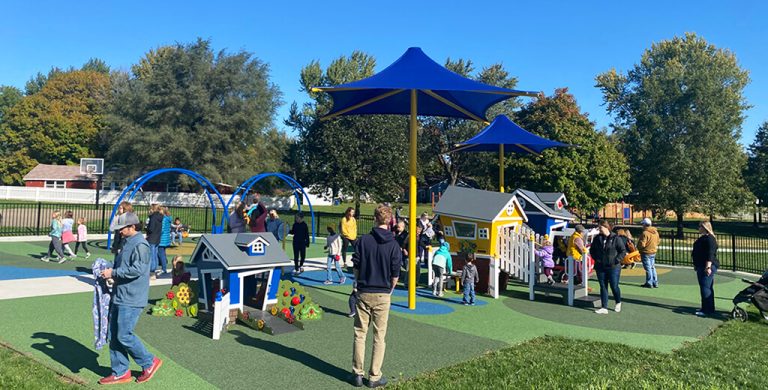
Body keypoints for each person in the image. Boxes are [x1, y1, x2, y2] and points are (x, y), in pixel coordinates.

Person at [98, 212, 162, 384]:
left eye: (122, 228)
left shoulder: (141, 245)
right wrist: (109, 270)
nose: (119, 231)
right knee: (114, 335)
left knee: (124, 335)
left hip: (132, 298)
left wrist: (114, 273)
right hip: (120, 294)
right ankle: (120, 371)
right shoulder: (127, 242)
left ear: (132, 227)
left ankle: (149, 362)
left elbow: (138, 270)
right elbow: (124, 265)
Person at [350, 204, 401, 388]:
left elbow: (356, 265)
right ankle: (374, 376)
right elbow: (395, 274)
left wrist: (357, 283)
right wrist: (390, 290)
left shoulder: (363, 241)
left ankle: (357, 373)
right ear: (390, 221)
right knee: (379, 337)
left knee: (360, 334)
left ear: (374, 219)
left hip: (364, 291)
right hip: (382, 293)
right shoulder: (394, 245)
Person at [589, 220, 626, 314]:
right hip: (600, 267)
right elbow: (592, 250)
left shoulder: (616, 238)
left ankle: (618, 302)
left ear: (606, 227)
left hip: (614, 267)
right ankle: (604, 307)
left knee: (614, 286)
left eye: (600, 227)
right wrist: (597, 259)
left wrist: (616, 260)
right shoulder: (597, 238)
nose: (599, 229)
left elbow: (622, 251)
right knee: (603, 286)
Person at [692, 221, 719, 317]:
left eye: (700, 226)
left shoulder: (710, 239)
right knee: (706, 287)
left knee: (705, 287)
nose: (698, 228)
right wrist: (696, 264)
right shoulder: (703, 238)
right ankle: (708, 308)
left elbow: (710, 254)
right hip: (700, 265)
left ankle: (706, 310)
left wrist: (708, 267)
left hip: (706, 266)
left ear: (705, 227)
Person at [637, 218, 660, 288]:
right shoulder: (655, 232)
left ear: (644, 225)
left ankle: (649, 282)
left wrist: (639, 247)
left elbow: (642, 244)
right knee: (652, 267)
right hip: (653, 251)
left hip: (646, 252)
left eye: (642, 224)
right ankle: (655, 282)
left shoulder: (645, 233)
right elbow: (658, 241)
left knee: (648, 268)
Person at [153, 207, 172, 278]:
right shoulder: (168, 218)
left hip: (162, 239)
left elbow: (162, 229)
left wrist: (156, 233)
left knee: (161, 253)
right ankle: (164, 267)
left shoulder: (163, 219)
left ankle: (163, 269)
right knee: (163, 253)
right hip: (166, 238)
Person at [145, 204, 163, 275]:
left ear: (152, 209)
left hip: (152, 237)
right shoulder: (160, 217)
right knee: (155, 253)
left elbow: (151, 228)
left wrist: (146, 228)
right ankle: (155, 267)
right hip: (157, 237)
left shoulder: (153, 217)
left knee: (151, 254)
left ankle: (152, 268)